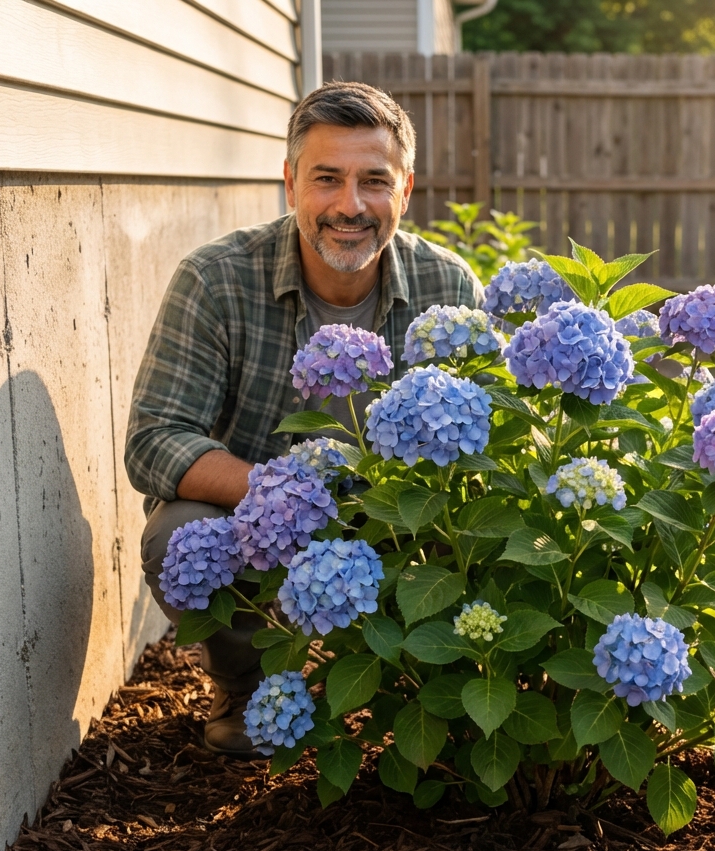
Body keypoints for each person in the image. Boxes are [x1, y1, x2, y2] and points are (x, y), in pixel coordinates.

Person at [126, 82, 484, 757]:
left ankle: (415, 691)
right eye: (327, 179)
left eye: (374, 180)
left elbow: (483, 447)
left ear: (406, 190)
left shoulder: (450, 290)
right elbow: (154, 440)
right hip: (265, 531)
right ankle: (249, 683)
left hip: (401, 527)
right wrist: (283, 498)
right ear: (290, 183)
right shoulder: (216, 280)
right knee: (178, 534)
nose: (350, 206)